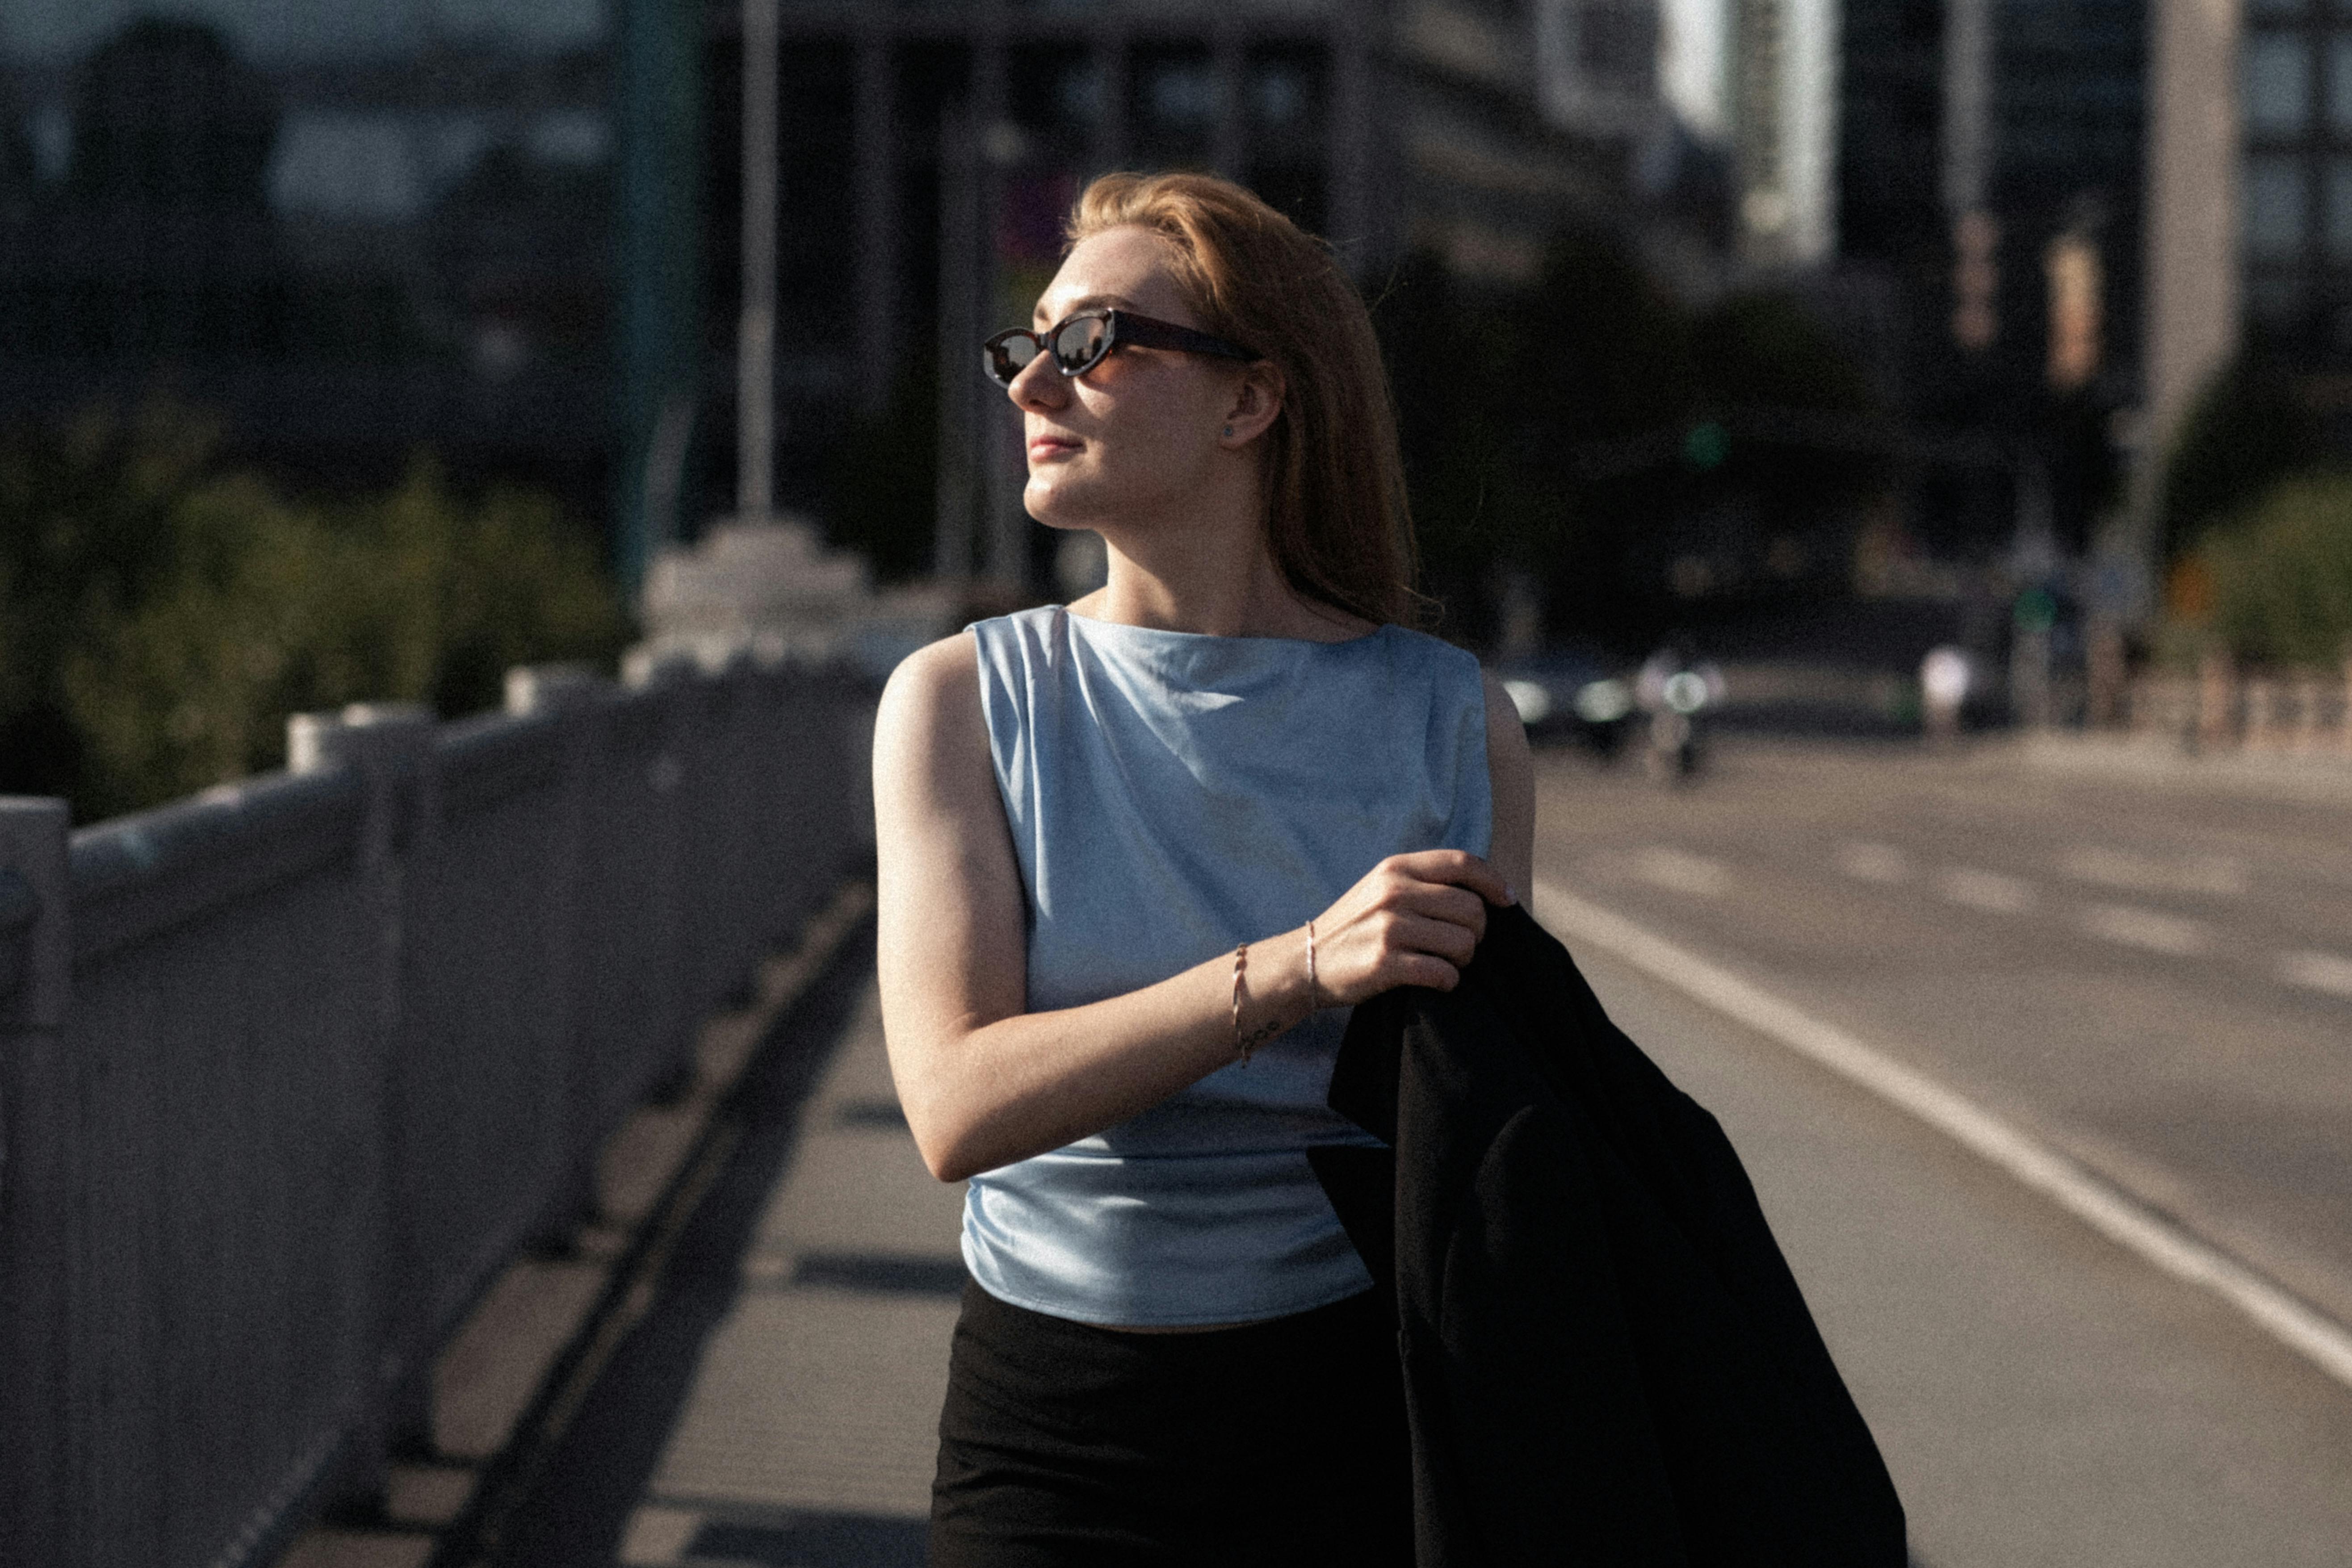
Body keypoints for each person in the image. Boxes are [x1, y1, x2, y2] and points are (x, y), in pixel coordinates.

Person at [870, 171, 1534, 1567]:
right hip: (1052, 1429)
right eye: (1028, 343)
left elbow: (1482, 1140)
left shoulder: (1449, 719)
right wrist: (1296, 970)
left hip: (1359, 1416)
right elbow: (952, 1106)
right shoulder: (962, 700)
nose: (1033, 383)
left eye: (1094, 342)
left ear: (1250, 402)